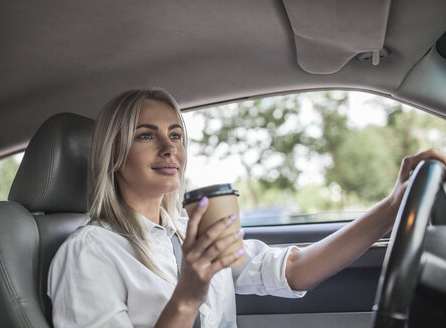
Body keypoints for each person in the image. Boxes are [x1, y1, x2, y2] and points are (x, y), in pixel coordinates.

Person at [47, 88, 446, 328]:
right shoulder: (89, 252)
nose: (170, 148)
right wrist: (187, 295)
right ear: (113, 153)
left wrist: (393, 205)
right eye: (146, 136)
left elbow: (295, 270)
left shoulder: (190, 231)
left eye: (175, 135)